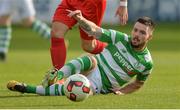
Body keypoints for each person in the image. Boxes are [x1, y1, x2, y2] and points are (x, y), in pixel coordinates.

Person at [7, 10, 155, 96]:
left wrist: (121, 92)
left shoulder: (146, 62)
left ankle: (28, 88)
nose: (136, 34)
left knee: (74, 90)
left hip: (101, 84)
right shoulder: (121, 38)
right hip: (94, 66)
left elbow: (137, 83)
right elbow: (95, 30)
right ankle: (58, 75)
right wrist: (81, 19)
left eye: (142, 32)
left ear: (149, 37)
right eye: (135, 30)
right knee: (90, 59)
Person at [50, 0, 128, 70]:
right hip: (71, 2)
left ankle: (117, 51)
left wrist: (123, 4)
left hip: (93, 3)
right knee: (56, 34)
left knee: (88, 46)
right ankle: (58, 76)